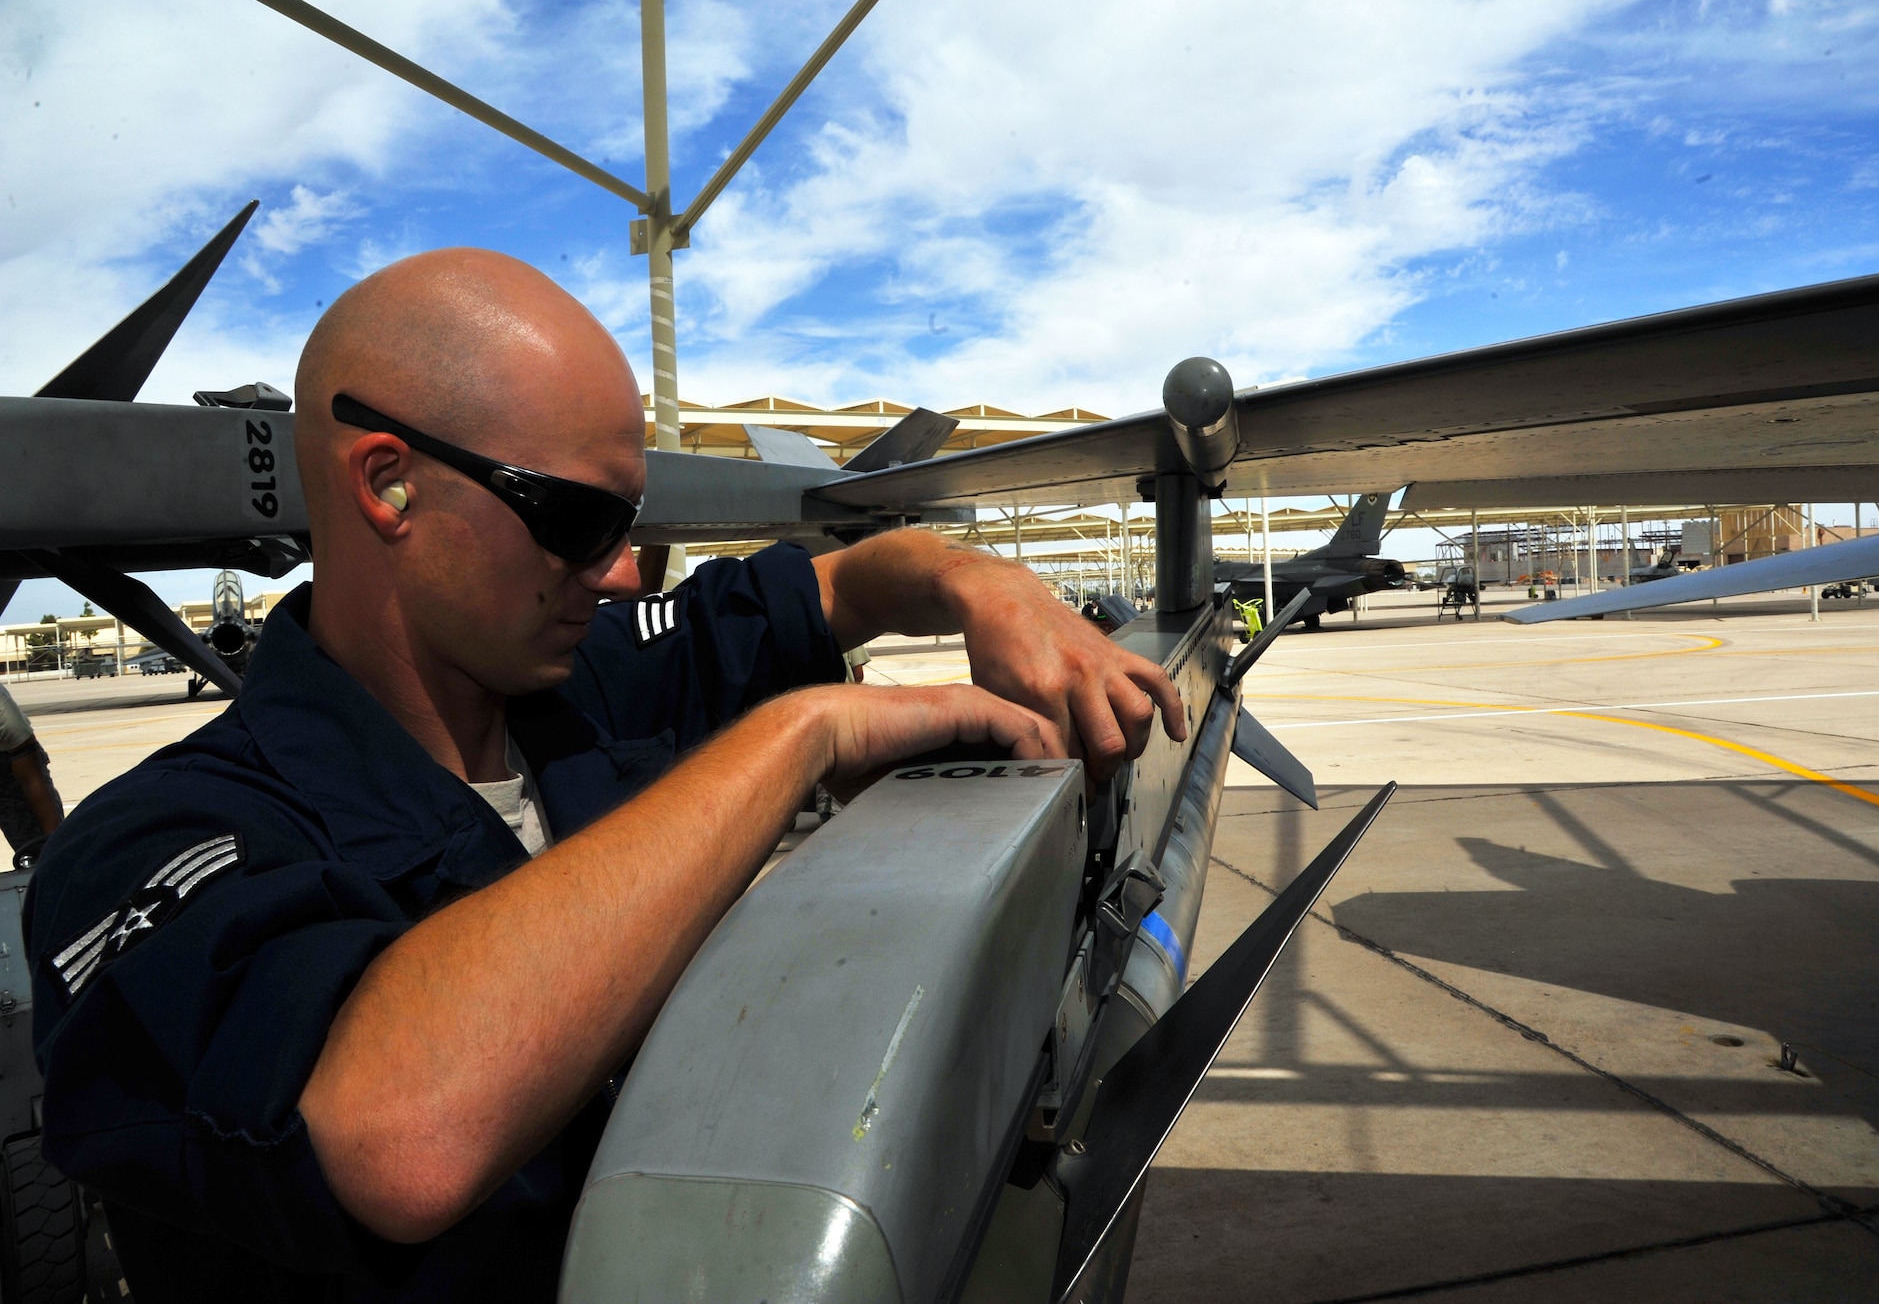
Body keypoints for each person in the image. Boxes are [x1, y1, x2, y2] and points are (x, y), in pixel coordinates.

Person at [25, 249, 1185, 1302]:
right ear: (388, 485)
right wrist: (800, 734)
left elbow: (834, 585)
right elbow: (398, 1133)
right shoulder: (152, 847)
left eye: (626, 518)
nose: (623, 568)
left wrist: (977, 581)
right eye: (577, 516)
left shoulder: (577, 688)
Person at [0, 684, 63, 862]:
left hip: (8, 765)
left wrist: (54, 847)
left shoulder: (5, 716)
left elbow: (32, 780)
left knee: (36, 846)